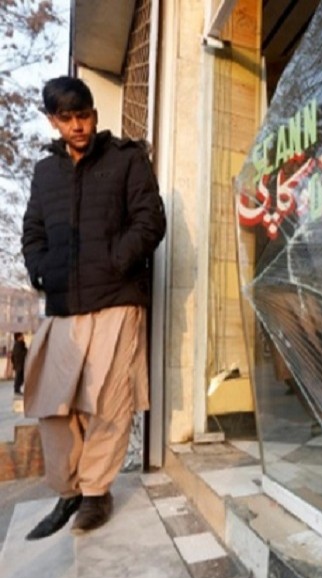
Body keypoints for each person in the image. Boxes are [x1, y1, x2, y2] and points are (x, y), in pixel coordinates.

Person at [20, 76, 166, 539]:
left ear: (94, 114)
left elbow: (150, 219)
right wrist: (42, 270)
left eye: (84, 115)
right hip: (63, 302)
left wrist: (115, 260)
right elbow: (32, 232)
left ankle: (96, 493)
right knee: (54, 403)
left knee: (106, 401)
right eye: (67, 118)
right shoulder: (45, 173)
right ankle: (68, 492)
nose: (78, 126)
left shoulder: (126, 158)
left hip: (116, 298)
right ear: (52, 120)